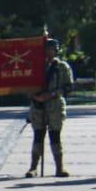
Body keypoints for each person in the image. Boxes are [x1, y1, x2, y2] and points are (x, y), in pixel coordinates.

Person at [27, 38, 72, 177]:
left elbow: (68, 87)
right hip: (38, 105)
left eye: (51, 49)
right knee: (38, 136)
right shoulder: (35, 66)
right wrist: (35, 96)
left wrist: (51, 94)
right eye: (46, 49)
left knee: (55, 136)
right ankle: (33, 167)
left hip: (55, 105)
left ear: (56, 50)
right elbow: (25, 84)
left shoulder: (62, 67)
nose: (48, 52)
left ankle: (59, 167)